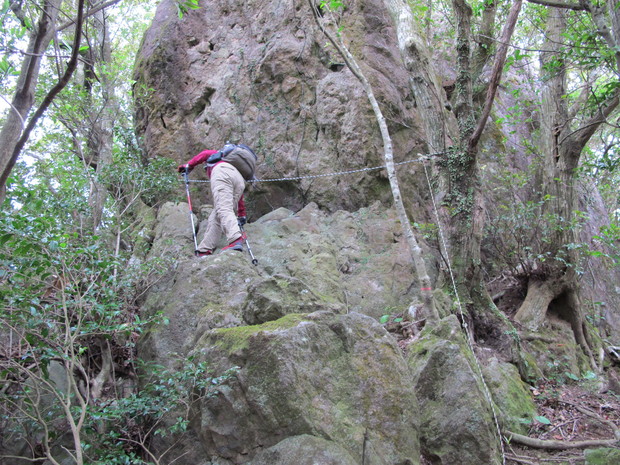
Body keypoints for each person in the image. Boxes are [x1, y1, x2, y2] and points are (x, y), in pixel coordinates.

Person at [178, 147, 247, 256]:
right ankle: (205, 249)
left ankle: (235, 239)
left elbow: (205, 153)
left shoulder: (217, 157)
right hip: (240, 179)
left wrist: (189, 165)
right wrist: (241, 214)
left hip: (222, 172)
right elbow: (240, 197)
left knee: (223, 209)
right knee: (217, 214)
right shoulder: (231, 164)